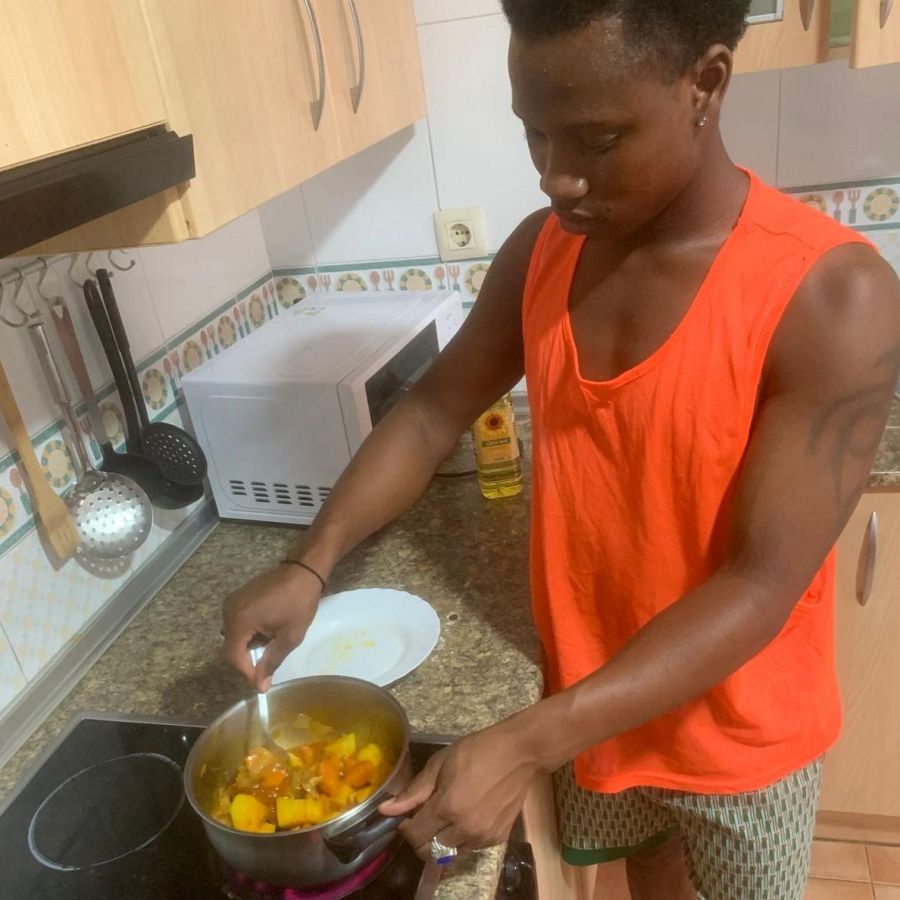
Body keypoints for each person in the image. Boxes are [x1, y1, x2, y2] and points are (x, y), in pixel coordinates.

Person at [222, 2, 900, 897]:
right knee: (650, 872)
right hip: (596, 703)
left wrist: (526, 739)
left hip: (741, 730)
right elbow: (432, 410)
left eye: (596, 138)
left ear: (706, 83)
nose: (556, 178)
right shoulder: (542, 254)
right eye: (534, 136)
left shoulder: (835, 297)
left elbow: (761, 584)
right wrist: (311, 562)